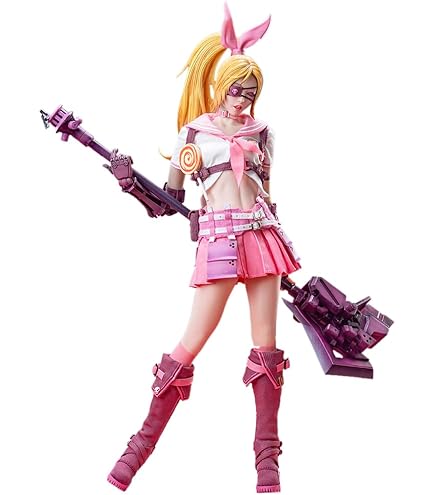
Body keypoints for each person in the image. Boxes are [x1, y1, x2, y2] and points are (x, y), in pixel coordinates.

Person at [107, 4, 300, 493]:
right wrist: (131, 184)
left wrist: (281, 242)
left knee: (267, 350)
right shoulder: (193, 133)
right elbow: (167, 202)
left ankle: (267, 461)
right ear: (222, 85)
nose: (243, 99)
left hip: (262, 238)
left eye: (251, 92)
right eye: (237, 90)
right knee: (189, 344)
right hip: (217, 242)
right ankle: (138, 448)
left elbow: (268, 193)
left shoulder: (262, 133)